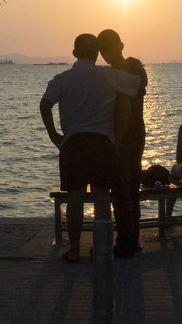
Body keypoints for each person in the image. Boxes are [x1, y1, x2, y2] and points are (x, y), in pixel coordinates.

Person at [40, 33, 140, 262]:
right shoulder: (108, 75)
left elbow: (45, 105)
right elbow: (131, 97)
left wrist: (53, 134)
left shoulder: (62, 78)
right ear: (97, 53)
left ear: (74, 53)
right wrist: (116, 137)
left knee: (74, 198)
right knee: (102, 196)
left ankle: (74, 250)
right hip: (102, 142)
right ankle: (102, 248)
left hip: (73, 142)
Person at [96, 29, 148, 258]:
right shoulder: (122, 71)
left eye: (107, 49)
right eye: (104, 51)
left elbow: (138, 86)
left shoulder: (128, 68)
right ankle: (129, 239)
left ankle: (127, 241)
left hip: (126, 134)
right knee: (127, 188)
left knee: (122, 188)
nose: (107, 55)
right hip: (130, 133)